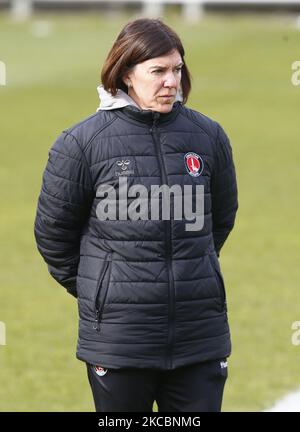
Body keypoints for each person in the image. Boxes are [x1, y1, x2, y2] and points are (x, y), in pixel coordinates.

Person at [34, 18, 238, 412]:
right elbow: (53, 234)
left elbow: (221, 218)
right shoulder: (81, 143)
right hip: (119, 338)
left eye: (176, 69)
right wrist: (104, 291)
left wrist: (186, 274)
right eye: (157, 71)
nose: (171, 82)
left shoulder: (209, 136)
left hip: (199, 334)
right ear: (126, 74)